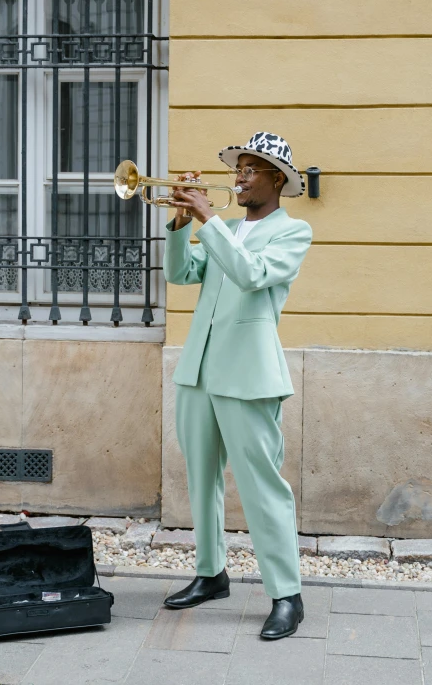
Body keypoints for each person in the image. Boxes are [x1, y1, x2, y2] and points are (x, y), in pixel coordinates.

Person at [162, 132, 313, 640]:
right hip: (200, 370)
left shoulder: (293, 232)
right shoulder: (223, 227)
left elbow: (250, 276)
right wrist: (182, 226)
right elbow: (182, 273)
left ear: (278, 179)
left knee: (261, 484)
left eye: (252, 169)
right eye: (238, 169)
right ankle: (210, 573)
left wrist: (207, 220)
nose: (239, 177)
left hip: (249, 374)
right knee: (200, 478)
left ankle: (286, 595)